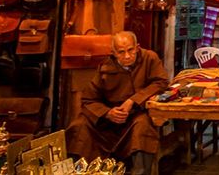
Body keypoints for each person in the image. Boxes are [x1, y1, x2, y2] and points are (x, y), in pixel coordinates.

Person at [66, 31, 169, 174]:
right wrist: (107, 113)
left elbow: (161, 82)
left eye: (130, 50)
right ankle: (80, 171)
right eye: (121, 52)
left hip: (136, 115)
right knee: (79, 126)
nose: (127, 56)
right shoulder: (106, 66)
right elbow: (89, 99)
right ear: (113, 53)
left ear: (137, 47)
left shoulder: (149, 58)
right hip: (110, 120)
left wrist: (133, 101)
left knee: (142, 127)